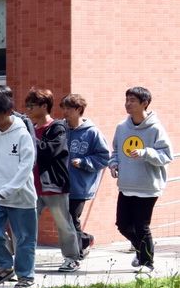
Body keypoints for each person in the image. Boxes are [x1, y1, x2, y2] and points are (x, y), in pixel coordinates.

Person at [0, 91, 39, 288]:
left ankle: (25, 276)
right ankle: (4, 265)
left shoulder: (22, 134)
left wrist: (10, 189)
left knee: (24, 238)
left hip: (21, 196)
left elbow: (26, 167)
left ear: (8, 112)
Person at [111, 85, 172, 276]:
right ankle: (142, 251)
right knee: (122, 225)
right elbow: (116, 151)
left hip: (148, 186)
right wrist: (114, 164)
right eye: (127, 100)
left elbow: (166, 156)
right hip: (126, 185)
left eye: (132, 101)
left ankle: (147, 263)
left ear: (145, 103)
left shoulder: (155, 128)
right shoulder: (122, 127)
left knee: (141, 226)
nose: (127, 104)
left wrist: (146, 153)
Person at [21, 88, 82, 273]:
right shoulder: (30, 129)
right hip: (31, 187)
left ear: (44, 106)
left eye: (32, 105)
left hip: (53, 186)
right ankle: (23, 260)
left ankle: (72, 258)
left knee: (63, 224)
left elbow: (48, 151)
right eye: (27, 106)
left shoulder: (57, 128)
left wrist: (29, 135)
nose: (28, 109)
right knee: (25, 225)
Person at [61, 93, 112, 258]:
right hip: (60, 184)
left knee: (71, 218)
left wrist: (84, 162)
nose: (65, 112)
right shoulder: (60, 129)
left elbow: (104, 157)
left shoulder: (92, 133)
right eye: (64, 108)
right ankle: (85, 240)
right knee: (65, 220)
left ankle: (77, 253)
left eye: (68, 109)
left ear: (78, 110)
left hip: (80, 186)